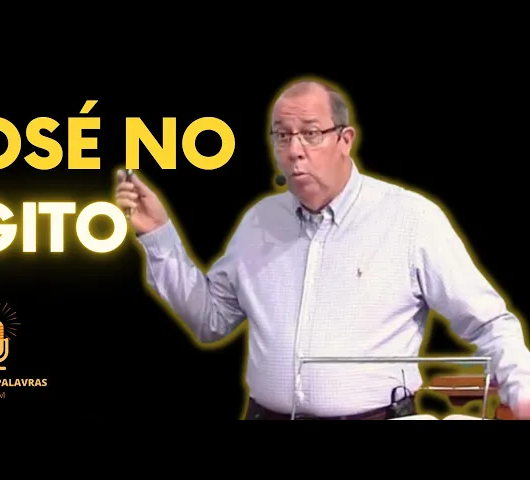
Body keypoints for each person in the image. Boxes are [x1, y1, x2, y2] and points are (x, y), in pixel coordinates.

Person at [115, 79, 530, 420]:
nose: (294, 150)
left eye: (311, 134)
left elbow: (490, 323)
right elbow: (211, 320)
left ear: (345, 139)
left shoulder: (411, 219)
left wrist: (523, 393)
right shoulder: (259, 221)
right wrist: (159, 235)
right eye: (282, 135)